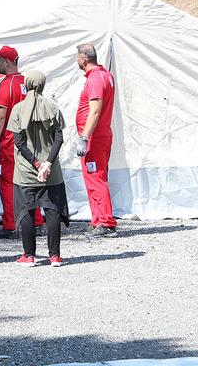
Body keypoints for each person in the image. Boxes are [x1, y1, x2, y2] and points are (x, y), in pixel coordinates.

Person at [8, 70, 70, 265]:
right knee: (52, 211)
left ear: (26, 85)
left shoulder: (18, 109)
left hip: (26, 172)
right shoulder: (53, 108)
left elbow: (19, 142)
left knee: (27, 211)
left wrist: (35, 163)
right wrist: (47, 163)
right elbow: (59, 139)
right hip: (51, 172)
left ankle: (29, 255)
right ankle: (55, 256)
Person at [0, 45, 42, 239]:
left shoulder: (7, 84)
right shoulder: (26, 82)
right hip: (29, 141)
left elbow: (0, 115)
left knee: (8, 183)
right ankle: (37, 222)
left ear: (7, 62)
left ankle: (11, 225)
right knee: (31, 181)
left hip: (10, 142)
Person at [75, 42, 118, 235]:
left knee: (96, 178)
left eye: (77, 58)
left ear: (83, 59)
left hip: (95, 137)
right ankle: (98, 219)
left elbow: (94, 111)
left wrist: (85, 137)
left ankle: (106, 222)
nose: (77, 61)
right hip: (100, 134)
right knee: (93, 178)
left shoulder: (95, 78)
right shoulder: (104, 75)